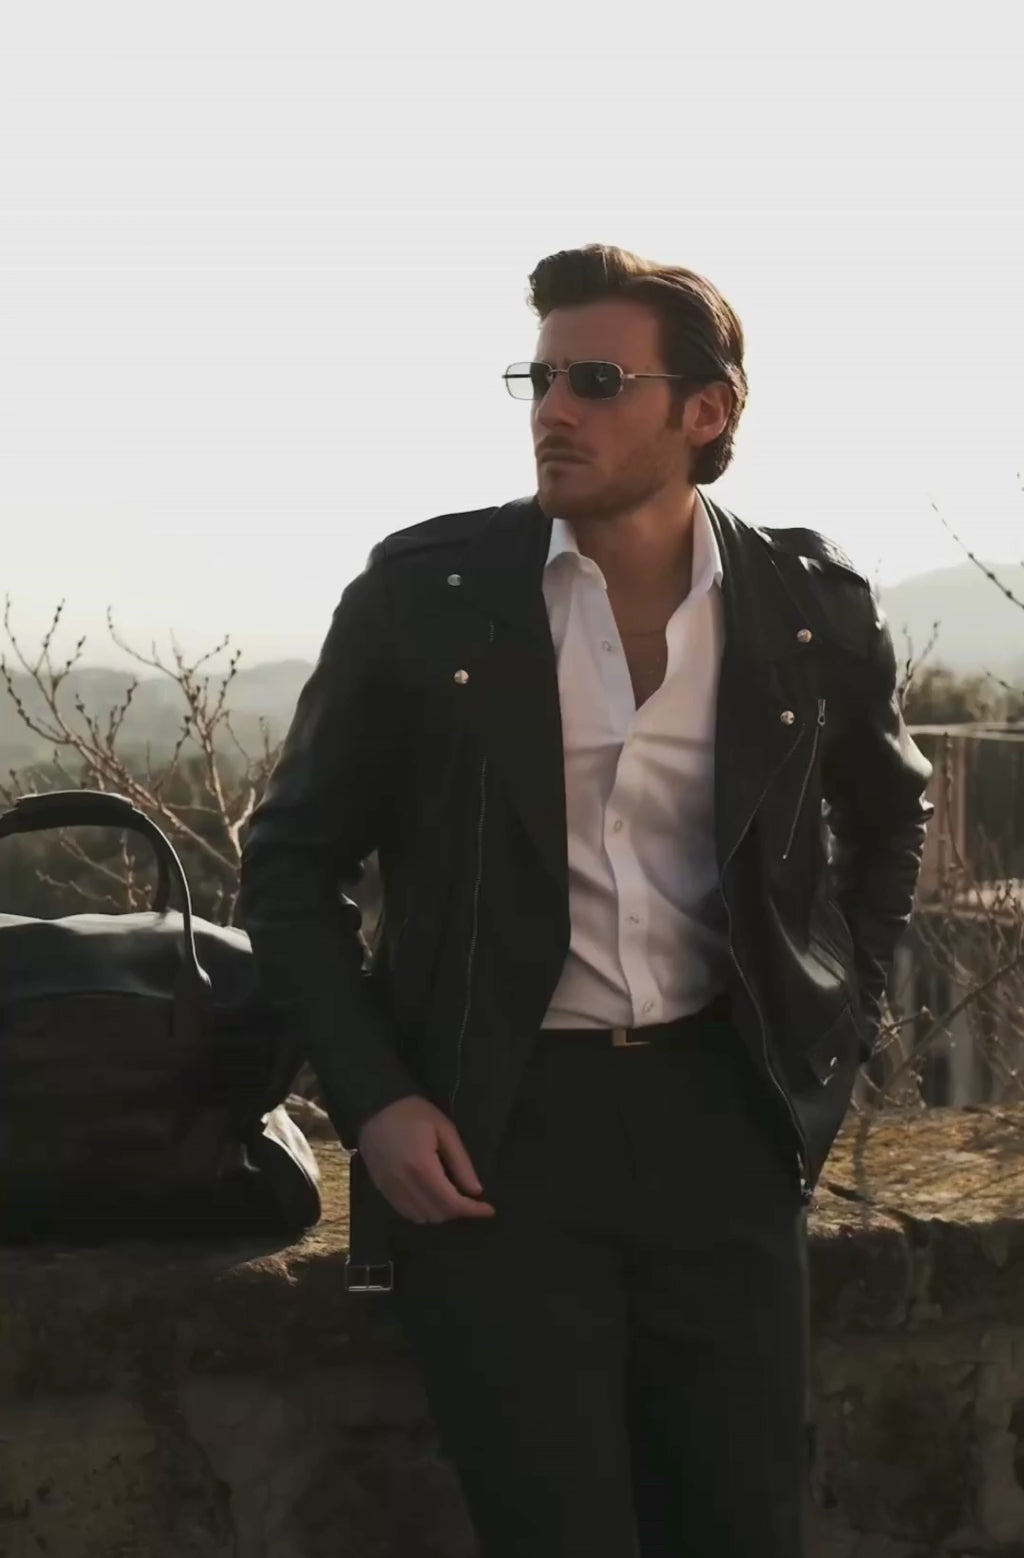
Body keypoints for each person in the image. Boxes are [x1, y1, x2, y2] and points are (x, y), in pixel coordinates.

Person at [238, 244, 934, 1558]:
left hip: (726, 1117)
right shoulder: (426, 598)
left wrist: (837, 1024)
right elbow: (286, 864)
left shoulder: (808, 609)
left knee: (743, 1526)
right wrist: (376, 1098)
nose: (554, 410)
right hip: (500, 1134)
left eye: (598, 382)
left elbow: (891, 813)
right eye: (541, 378)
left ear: (705, 412)